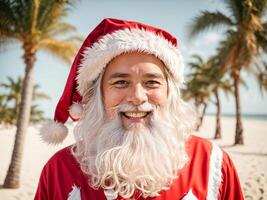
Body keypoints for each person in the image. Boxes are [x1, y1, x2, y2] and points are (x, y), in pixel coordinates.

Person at [35, 18, 244, 200]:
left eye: (151, 83)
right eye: (120, 83)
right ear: (98, 95)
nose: (137, 97)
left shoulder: (212, 164)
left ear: (169, 93)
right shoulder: (58, 170)